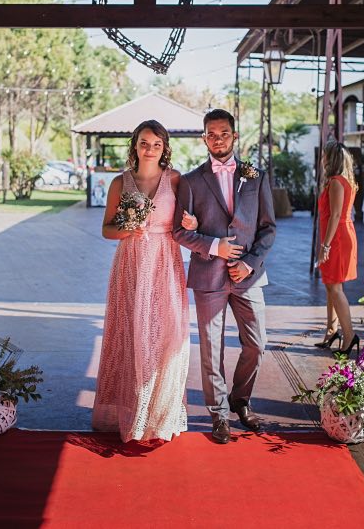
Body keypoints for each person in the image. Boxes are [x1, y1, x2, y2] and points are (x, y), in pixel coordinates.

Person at [173, 109, 276, 444]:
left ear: (235, 135)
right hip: (208, 276)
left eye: (224, 133)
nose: (218, 140)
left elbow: (268, 229)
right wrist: (214, 246)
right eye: (211, 135)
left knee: (256, 344)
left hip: (248, 276)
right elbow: (179, 232)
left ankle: (240, 399)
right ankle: (218, 414)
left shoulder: (256, 177)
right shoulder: (190, 181)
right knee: (211, 348)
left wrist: (250, 263)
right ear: (204, 138)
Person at [92, 120, 198, 443]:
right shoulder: (119, 183)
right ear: (135, 146)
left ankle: (160, 414)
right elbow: (107, 229)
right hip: (131, 263)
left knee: (165, 335)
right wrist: (128, 229)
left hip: (165, 263)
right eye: (144, 143)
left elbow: (188, 222)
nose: (150, 149)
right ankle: (130, 412)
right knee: (131, 334)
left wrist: (192, 223)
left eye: (156, 144)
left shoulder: (176, 179)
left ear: (164, 148)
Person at [315, 140, 359, 356]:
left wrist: (325, 246)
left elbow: (335, 216)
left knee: (335, 288)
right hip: (340, 235)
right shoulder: (345, 181)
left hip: (338, 238)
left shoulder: (336, 182)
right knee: (331, 285)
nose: (322, 159)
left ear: (331, 158)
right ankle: (332, 331)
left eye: (324, 155)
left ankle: (349, 336)